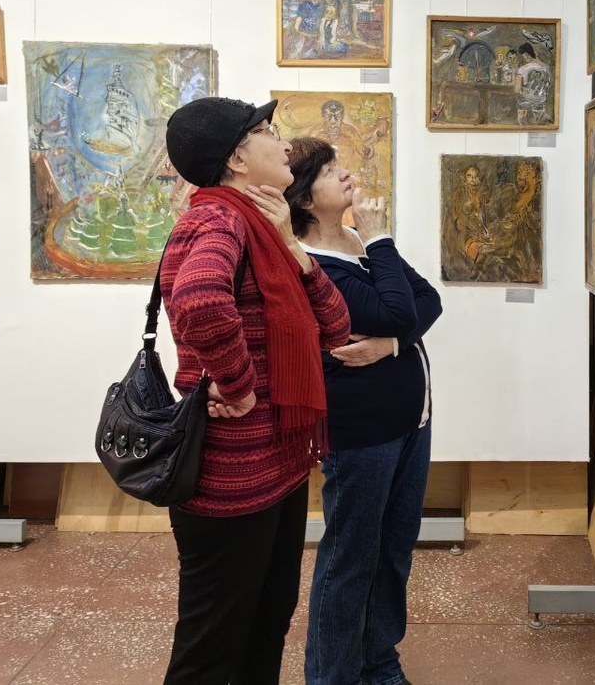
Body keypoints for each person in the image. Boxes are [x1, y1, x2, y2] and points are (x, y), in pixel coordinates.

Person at [160, 98, 352, 685]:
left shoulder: (263, 228)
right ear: (237, 159)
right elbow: (199, 300)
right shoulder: (218, 220)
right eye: (268, 131)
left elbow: (335, 326)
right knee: (213, 646)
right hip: (230, 476)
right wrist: (238, 386)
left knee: (266, 624)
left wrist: (293, 248)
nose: (285, 143)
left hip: (278, 464)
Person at [285, 137, 442, 685]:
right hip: (362, 432)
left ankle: (379, 662)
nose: (345, 172)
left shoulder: (354, 242)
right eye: (330, 169)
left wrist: (392, 345)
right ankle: (331, 676)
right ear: (307, 199)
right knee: (350, 558)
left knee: (393, 550)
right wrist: (379, 239)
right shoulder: (314, 264)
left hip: (410, 421)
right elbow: (401, 310)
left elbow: (428, 301)